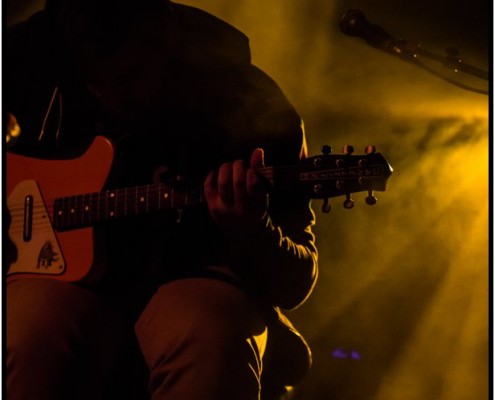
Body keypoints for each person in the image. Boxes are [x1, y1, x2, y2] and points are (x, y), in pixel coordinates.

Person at [5, 1, 319, 399]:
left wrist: (252, 232)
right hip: (58, 280)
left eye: (132, 74)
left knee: (211, 335)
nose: (116, 94)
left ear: (168, 37)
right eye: (97, 82)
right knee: (26, 331)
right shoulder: (25, 60)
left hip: (190, 281)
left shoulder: (253, 105)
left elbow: (296, 280)